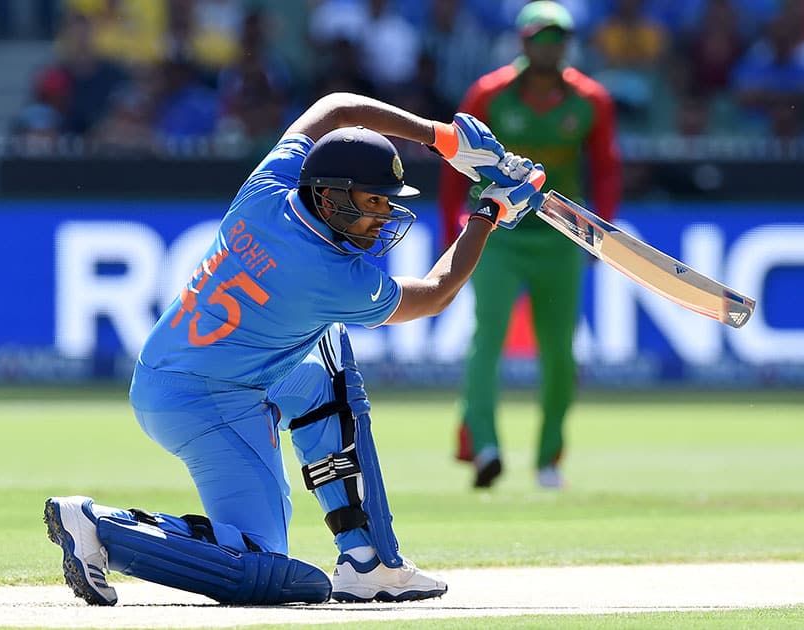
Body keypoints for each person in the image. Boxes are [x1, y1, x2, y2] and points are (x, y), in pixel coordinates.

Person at [44, 91, 546, 606]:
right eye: (374, 201)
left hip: (186, 370)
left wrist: (442, 137)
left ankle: (367, 560)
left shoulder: (270, 187)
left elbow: (335, 109)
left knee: (327, 365)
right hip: (209, 402)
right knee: (269, 572)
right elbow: (436, 294)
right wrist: (489, 210)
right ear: (330, 196)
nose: (384, 216)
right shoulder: (327, 275)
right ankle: (100, 527)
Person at [439, 1, 621, 490]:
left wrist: (600, 232)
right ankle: (484, 448)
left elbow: (605, 167)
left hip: (560, 233)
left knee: (560, 352)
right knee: (488, 338)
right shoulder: (490, 93)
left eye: (558, 38)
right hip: (496, 230)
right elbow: (453, 162)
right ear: (522, 42)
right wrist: (451, 228)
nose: (550, 46)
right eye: (541, 37)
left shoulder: (591, 99)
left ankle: (548, 460)